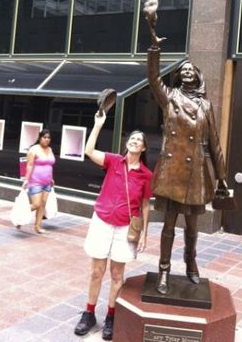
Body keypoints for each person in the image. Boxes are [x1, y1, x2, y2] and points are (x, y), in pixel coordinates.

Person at [144, 0, 228, 295]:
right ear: (179, 77)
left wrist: (222, 177)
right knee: (168, 226)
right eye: (184, 71)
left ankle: (191, 265)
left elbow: (214, 143)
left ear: (199, 77)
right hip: (173, 172)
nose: (188, 72)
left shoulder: (205, 106)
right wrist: (155, 44)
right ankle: (163, 271)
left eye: (192, 70)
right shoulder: (170, 98)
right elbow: (153, 78)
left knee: (192, 228)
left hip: (195, 176)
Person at [74, 112, 152, 340]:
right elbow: (88, 151)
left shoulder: (146, 175)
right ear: (127, 143)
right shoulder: (113, 160)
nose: (134, 141)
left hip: (126, 227)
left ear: (144, 148)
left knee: (117, 274)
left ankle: (111, 315)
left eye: (139, 140)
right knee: (96, 272)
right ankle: (89, 313)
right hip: (102, 221)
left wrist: (145, 233)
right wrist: (98, 125)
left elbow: (146, 205)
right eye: (132, 139)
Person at [21, 129, 55, 234]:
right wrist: (26, 179)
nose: (47, 139)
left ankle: (38, 226)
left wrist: (52, 178)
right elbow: (29, 165)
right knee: (36, 204)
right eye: (44, 137)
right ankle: (19, 216)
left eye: (48, 138)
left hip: (47, 182)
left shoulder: (50, 149)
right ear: (40, 138)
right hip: (35, 181)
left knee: (42, 204)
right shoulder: (34, 149)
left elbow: (50, 165)